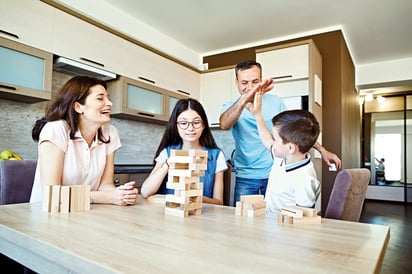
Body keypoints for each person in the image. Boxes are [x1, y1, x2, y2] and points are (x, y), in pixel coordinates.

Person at [219, 60, 341, 203]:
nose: (250, 87)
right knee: (242, 221)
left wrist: (322, 150)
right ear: (237, 82)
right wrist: (245, 99)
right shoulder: (230, 106)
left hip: (274, 172)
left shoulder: (276, 102)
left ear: (261, 80)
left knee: (273, 219)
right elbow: (224, 125)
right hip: (246, 176)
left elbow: (295, 131)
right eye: (244, 83)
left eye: (255, 82)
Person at [30, 76, 138, 205]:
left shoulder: (110, 133)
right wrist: (107, 198)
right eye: (100, 98)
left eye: (108, 98)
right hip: (49, 213)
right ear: (78, 107)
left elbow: (105, 185)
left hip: (85, 211)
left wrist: (120, 194)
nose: (110, 103)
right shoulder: (56, 129)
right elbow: (53, 194)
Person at [140, 98, 227, 205]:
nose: (190, 128)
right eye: (183, 123)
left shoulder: (216, 156)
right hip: (171, 215)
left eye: (196, 122)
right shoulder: (167, 153)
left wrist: (194, 197)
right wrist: (168, 164)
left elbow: (219, 202)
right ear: (176, 126)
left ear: (203, 125)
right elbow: (145, 192)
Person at [251, 92, 321, 212]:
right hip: (269, 225)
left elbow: (304, 218)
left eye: (275, 139)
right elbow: (266, 139)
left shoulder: (304, 178)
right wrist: (257, 114)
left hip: (285, 229)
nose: (272, 142)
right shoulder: (283, 158)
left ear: (290, 148)